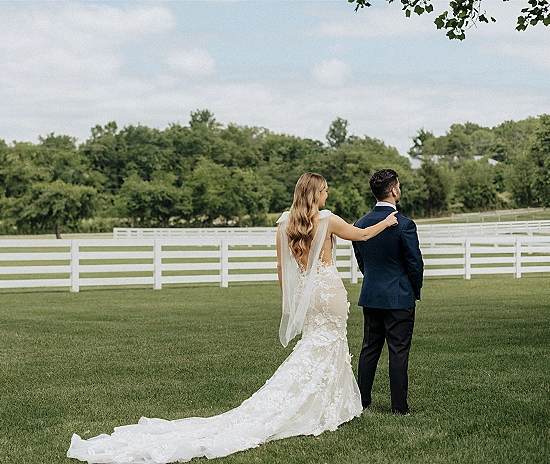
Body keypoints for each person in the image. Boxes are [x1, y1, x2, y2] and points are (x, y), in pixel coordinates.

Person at [67, 172, 397, 463]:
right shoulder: (327, 219)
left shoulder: (285, 223)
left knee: (316, 345)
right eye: (324, 190)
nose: (327, 195)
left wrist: (288, 303)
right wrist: (388, 221)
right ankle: (329, 407)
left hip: (308, 297)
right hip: (329, 289)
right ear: (315, 194)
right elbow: (363, 235)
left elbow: (282, 267)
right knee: (331, 343)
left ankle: (327, 404)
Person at [353, 169, 423, 416]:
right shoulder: (404, 225)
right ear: (393, 190)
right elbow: (414, 263)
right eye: (399, 186)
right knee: (398, 351)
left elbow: (362, 262)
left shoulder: (359, 225)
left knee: (369, 348)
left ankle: (361, 400)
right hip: (398, 297)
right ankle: (399, 407)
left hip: (371, 295)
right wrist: (413, 290)